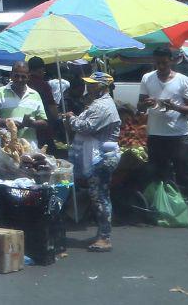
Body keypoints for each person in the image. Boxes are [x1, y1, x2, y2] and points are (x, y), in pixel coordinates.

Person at [138, 47, 188, 228]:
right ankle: (164, 209)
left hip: (178, 135)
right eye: (157, 63)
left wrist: (174, 107)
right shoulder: (147, 79)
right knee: (158, 173)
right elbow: (140, 105)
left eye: (164, 63)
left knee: (185, 173)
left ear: (171, 61)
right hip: (156, 134)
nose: (160, 66)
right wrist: (146, 103)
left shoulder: (183, 80)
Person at [65, 71, 121, 252]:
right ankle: (103, 234)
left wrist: (72, 119)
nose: (88, 88)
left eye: (92, 85)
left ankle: (105, 237)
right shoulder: (96, 104)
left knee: (100, 196)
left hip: (102, 157)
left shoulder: (103, 106)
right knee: (99, 195)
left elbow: (87, 127)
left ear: (103, 87)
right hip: (99, 155)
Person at [0, 61, 49, 147]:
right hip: (6, 147)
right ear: (11, 75)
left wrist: (31, 123)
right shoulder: (0, 92)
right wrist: (8, 123)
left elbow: (44, 122)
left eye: (23, 77)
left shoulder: (35, 95)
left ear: (28, 77)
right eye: (16, 76)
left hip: (29, 147)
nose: (20, 79)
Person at [26, 57, 61, 151]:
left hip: (25, 125)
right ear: (41, 69)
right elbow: (51, 106)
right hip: (42, 127)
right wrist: (57, 118)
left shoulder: (24, 83)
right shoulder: (43, 85)